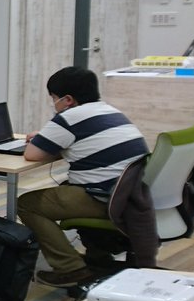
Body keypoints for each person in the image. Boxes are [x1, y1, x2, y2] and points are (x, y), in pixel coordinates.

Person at [18, 67, 149, 287]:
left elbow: (32, 154)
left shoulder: (69, 118)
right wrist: (47, 137)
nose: (54, 103)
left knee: (27, 204)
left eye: (54, 98)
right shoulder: (110, 111)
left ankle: (70, 269)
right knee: (68, 185)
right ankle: (98, 256)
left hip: (109, 199)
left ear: (67, 99)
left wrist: (43, 138)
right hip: (134, 194)